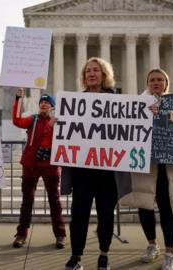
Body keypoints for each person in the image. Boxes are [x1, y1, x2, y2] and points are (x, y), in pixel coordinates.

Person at [119, 69, 173, 270]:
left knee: (169, 210)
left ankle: (169, 253)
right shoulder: (137, 105)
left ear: (166, 83)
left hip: (168, 167)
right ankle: (151, 245)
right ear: (147, 83)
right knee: (145, 206)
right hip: (145, 165)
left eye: (160, 80)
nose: (156, 83)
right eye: (152, 80)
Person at [62, 57, 127, 270]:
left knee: (106, 217)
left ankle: (103, 255)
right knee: (78, 216)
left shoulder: (118, 101)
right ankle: (76, 256)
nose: (91, 74)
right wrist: (58, 123)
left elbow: (130, 128)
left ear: (104, 75)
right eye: (88, 71)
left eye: (96, 70)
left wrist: (148, 114)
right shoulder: (74, 103)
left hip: (108, 172)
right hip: (83, 172)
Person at [11, 88, 66, 249]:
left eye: (47, 102)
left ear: (52, 107)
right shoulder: (33, 120)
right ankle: (21, 234)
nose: (43, 104)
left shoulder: (57, 121)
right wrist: (18, 99)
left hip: (50, 166)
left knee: (55, 201)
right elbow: (16, 120)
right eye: (42, 102)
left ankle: (60, 234)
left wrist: (52, 124)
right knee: (27, 201)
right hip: (31, 165)